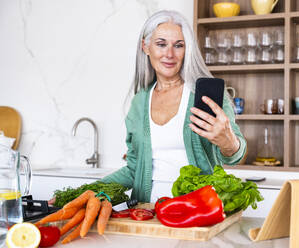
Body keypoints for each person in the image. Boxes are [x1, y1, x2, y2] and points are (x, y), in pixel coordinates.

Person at [49, 10, 247, 205]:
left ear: (187, 50)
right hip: (147, 212)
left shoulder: (206, 97)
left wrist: (228, 141)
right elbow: (133, 169)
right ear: (146, 46)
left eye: (178, 45)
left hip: (199, 210)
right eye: (161, 44)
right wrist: (79, 194)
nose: (169, 54)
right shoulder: (139, 102)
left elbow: (235, 156)